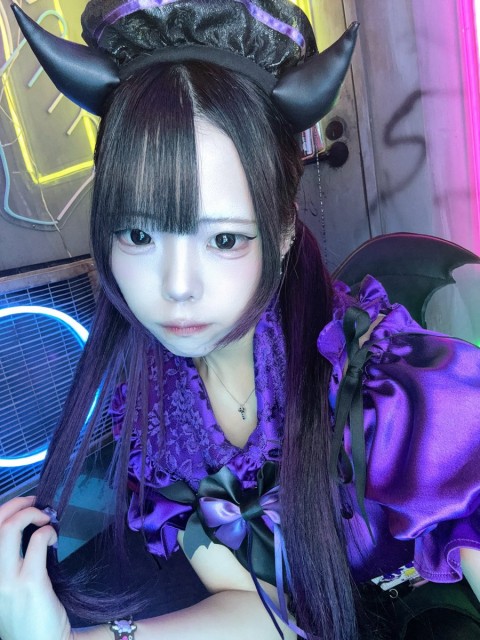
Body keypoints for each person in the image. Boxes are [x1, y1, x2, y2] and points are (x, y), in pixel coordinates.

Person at [1, 1, 480, 639]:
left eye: (224, 239)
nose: (176, 288)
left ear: (282, 230)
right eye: (138, 234)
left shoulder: (385, 387)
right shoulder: (164, 415)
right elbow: (258, 607)